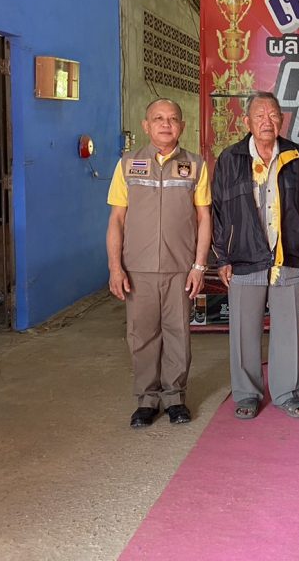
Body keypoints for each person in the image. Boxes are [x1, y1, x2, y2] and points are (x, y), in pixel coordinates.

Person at [212, 92, 299, 421]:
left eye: (273, 115)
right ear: (246, 121)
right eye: (259, 115)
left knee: (288, 330)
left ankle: (287, 393)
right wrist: (222, 258)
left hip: (287, 256)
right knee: (244, 331)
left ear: (282, 120)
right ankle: (247, 394)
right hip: (244, 257)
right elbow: (217, 211)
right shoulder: (230, 158)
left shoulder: (297, 157)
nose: (267, 121)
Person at [106, 99, 212, 429]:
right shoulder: (128, 164)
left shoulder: (195, 165)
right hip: (138, 268)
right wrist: (115, 267)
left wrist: (199, 265)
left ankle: (175, 397)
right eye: (158, 118)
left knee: (178, 332)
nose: (166, 124)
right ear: (146, 125)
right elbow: (117, 220)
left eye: (172, 119)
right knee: (141, 335)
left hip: (180, 267)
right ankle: (147, 400)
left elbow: (204, 218)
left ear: (182, 126)